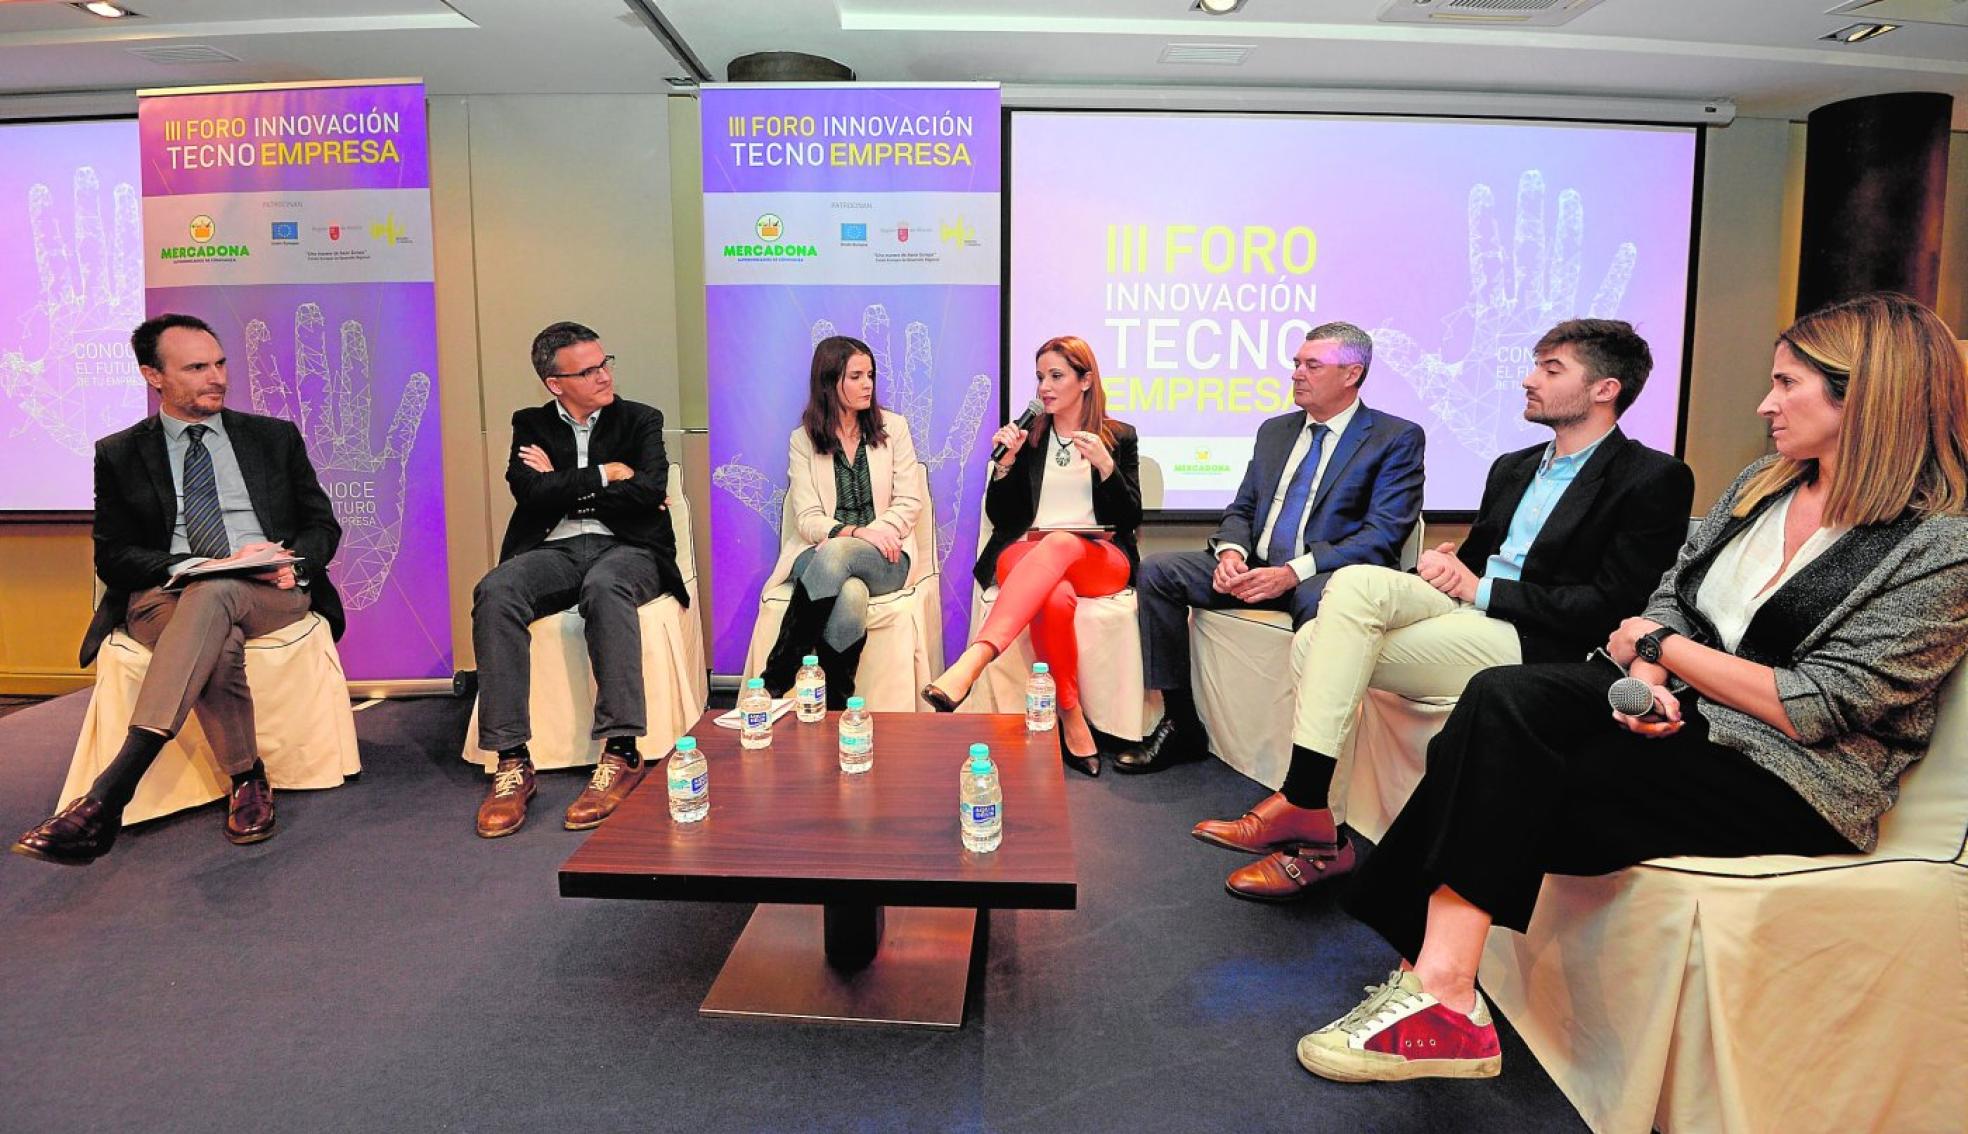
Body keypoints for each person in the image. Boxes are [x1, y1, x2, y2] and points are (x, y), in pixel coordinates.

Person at [1292, 291, 1968, 1085]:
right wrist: (1644, 683)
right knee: (1502, 697)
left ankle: (1435, 987)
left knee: (1508, 775)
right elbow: (1674, 590)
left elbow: (1818, 702)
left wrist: (1661, 648)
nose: (1765, 403)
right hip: (1685, 717)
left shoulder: (1936, 546)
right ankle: (1443, 993)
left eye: (1787, 385)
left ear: (1869, 396)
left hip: (1790, 776)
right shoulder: (1766, 485)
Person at [1193, 319, 1694, 899]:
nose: (1528, 379)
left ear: (1605, 389)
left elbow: (1613, 607)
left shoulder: (1652, 477)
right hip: (1469, 606)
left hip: (1538, 636)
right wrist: (1446, 564)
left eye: (1551, 369)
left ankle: (1312, 826)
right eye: (1535, 364)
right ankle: (1309, 809)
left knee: (1313, 642)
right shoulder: (1513, 465)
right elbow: (1481, 556)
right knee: (1352, 586)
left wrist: (1477, 588)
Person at [12, 313, 343, 865]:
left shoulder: (271, 437)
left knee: (217, 598)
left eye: (219, 363)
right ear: (153, 375)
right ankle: (248, 779)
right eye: (196, 367)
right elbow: (113, 555)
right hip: (166, 593)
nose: (216, 377)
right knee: (214, 621)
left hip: (267, 590)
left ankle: (109, 793)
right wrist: (191, 565)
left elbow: (321, 525)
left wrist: (294, 562)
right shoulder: (119, 452)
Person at [1118, 321, 1426, 774]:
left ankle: (1311, 760)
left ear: (1351, 374)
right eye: (1296, 363)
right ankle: (1181, 723)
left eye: (1312, 365)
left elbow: (1381, 536)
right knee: (1160, 572)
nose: (1297, 374)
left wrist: (1293, 572)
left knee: (1324, 600)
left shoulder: (1394, 438)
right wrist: (1230, 554)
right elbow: (1242, 507)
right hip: (1256, 565)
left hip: (1322, 575)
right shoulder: (1275, 431)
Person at [470, 321, 688, 839]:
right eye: (588, 370)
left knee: (605, 587)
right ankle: (512, 761)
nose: (603, 375)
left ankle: (620, 753)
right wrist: (606, 474)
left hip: (629, 547)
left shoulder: (639, 420)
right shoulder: (530, 423)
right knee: (496, 590)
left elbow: (649, 491)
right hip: (555, 549)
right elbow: (530, 495)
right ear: (555, 383)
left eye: (604, 362)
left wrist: (562, 483)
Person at [921, 336, 1141, 776]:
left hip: (1098, 557)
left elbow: (1131, 515)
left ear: (1085, 380)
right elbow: (1004, 517)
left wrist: (1105, 467)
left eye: (1056, 376)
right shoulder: (1031, 437)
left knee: (1059, 542)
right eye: (1040, 376)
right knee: (1054, 595)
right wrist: (1005, 467)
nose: (1044, 387)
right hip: (1027, 554)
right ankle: (1070, 714)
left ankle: (976, 659)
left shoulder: (1118, 437)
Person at [756, 335, 921, 706]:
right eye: (856, 376)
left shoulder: (894, 429)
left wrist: (873, 535)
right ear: (831, 382)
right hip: (818, 551)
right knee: (849, 591)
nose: (868, 385)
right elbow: (808, 519)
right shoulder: (803, 440)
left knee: (837, 554)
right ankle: (836, 705)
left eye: (871, 375)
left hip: (887, 555)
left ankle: (775, 679)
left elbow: (909, 502)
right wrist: (854, 532)